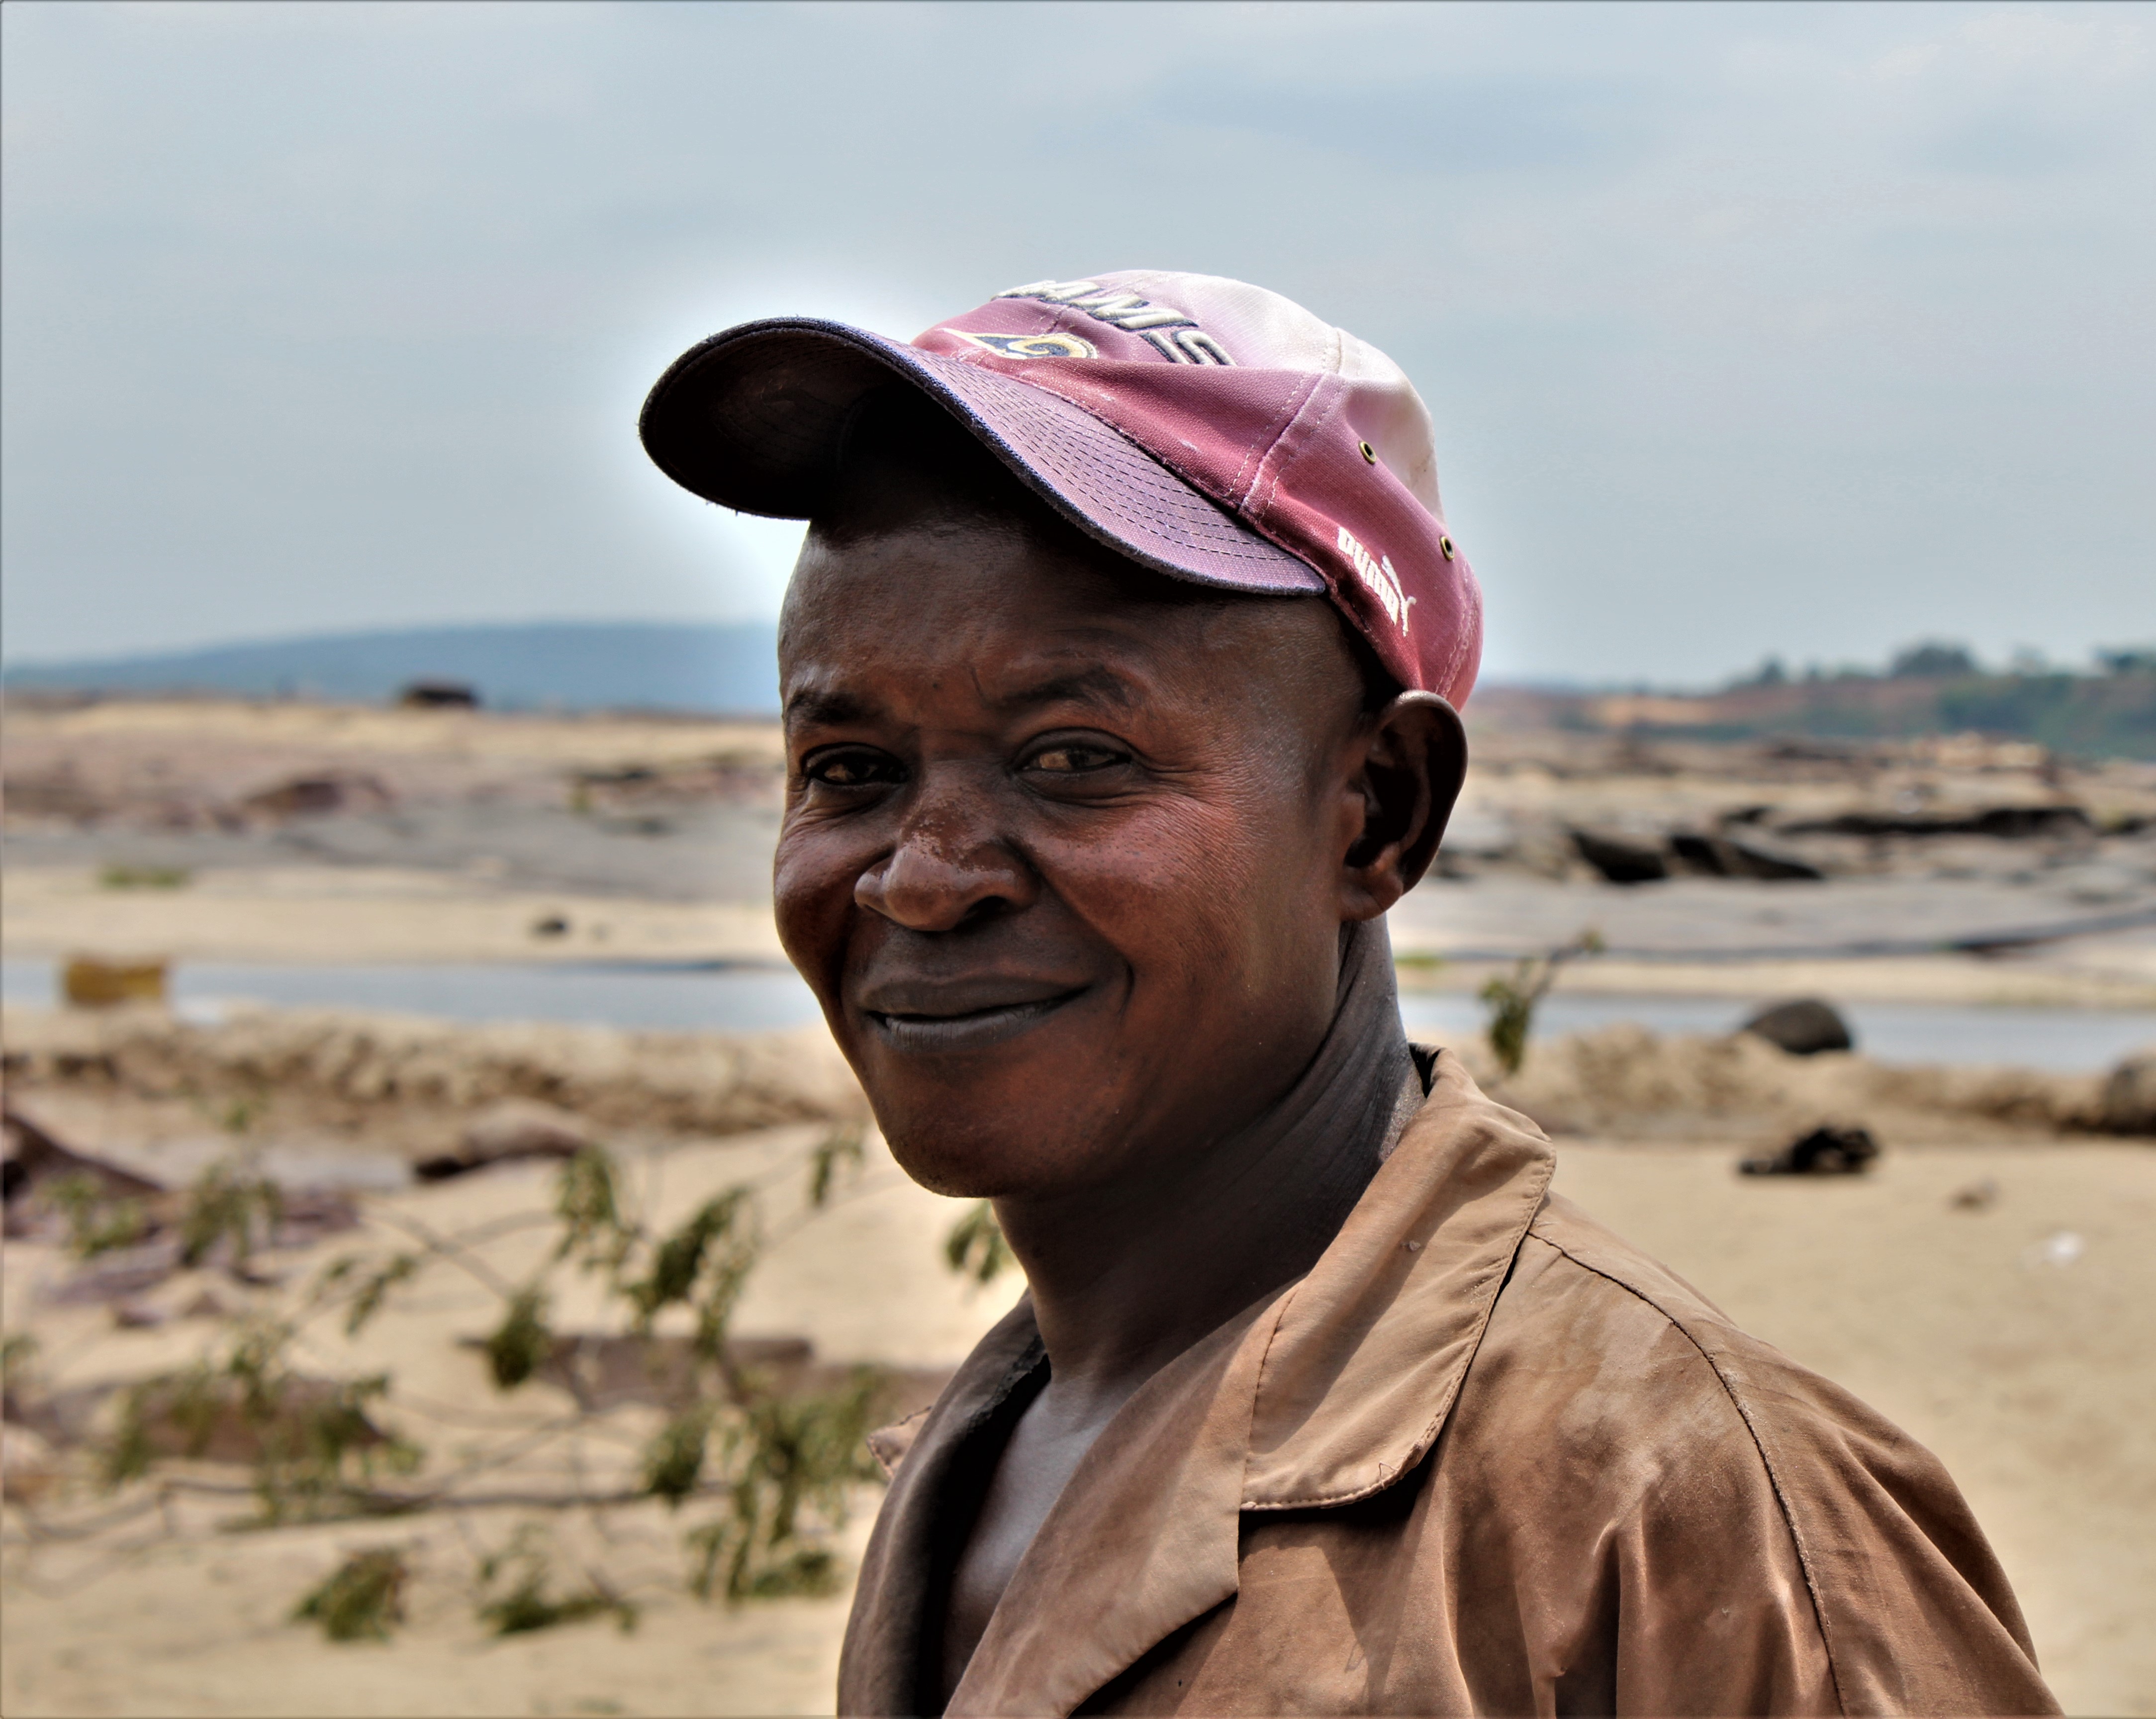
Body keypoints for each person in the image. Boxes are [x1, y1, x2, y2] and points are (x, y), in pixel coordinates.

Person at [639, 272, 2059, 1717]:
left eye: (1076, 756)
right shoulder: (990, 1455)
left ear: (1376, 814)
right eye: (851, 771)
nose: (924, 879)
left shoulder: (1673, 1511)